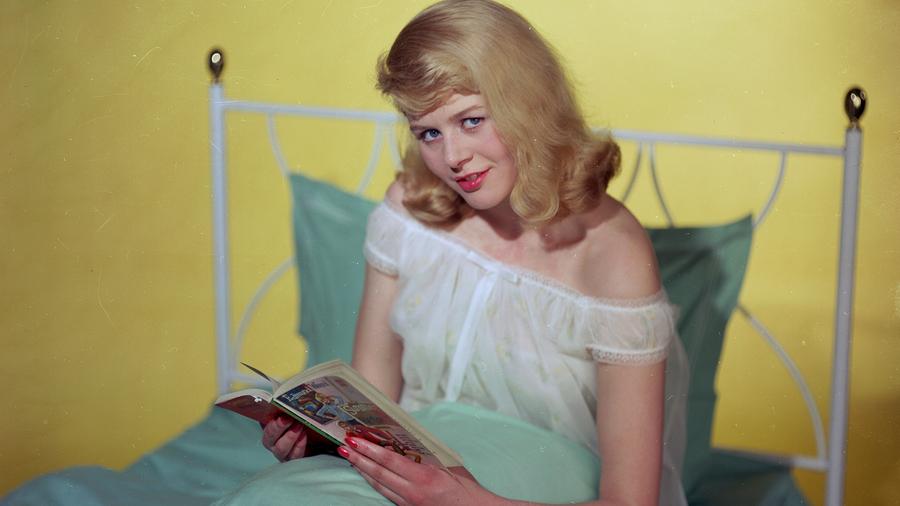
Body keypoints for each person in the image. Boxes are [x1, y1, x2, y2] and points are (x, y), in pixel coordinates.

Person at [261, 1, 689, 505]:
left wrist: (461, 501)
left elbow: (631, 502)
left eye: (471, 120)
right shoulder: (409, 214)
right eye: (429, 133)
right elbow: (372, 402)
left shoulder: (613, 252)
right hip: (411, 472)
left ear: (527, 103)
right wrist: (321, 445)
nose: (453, 158)